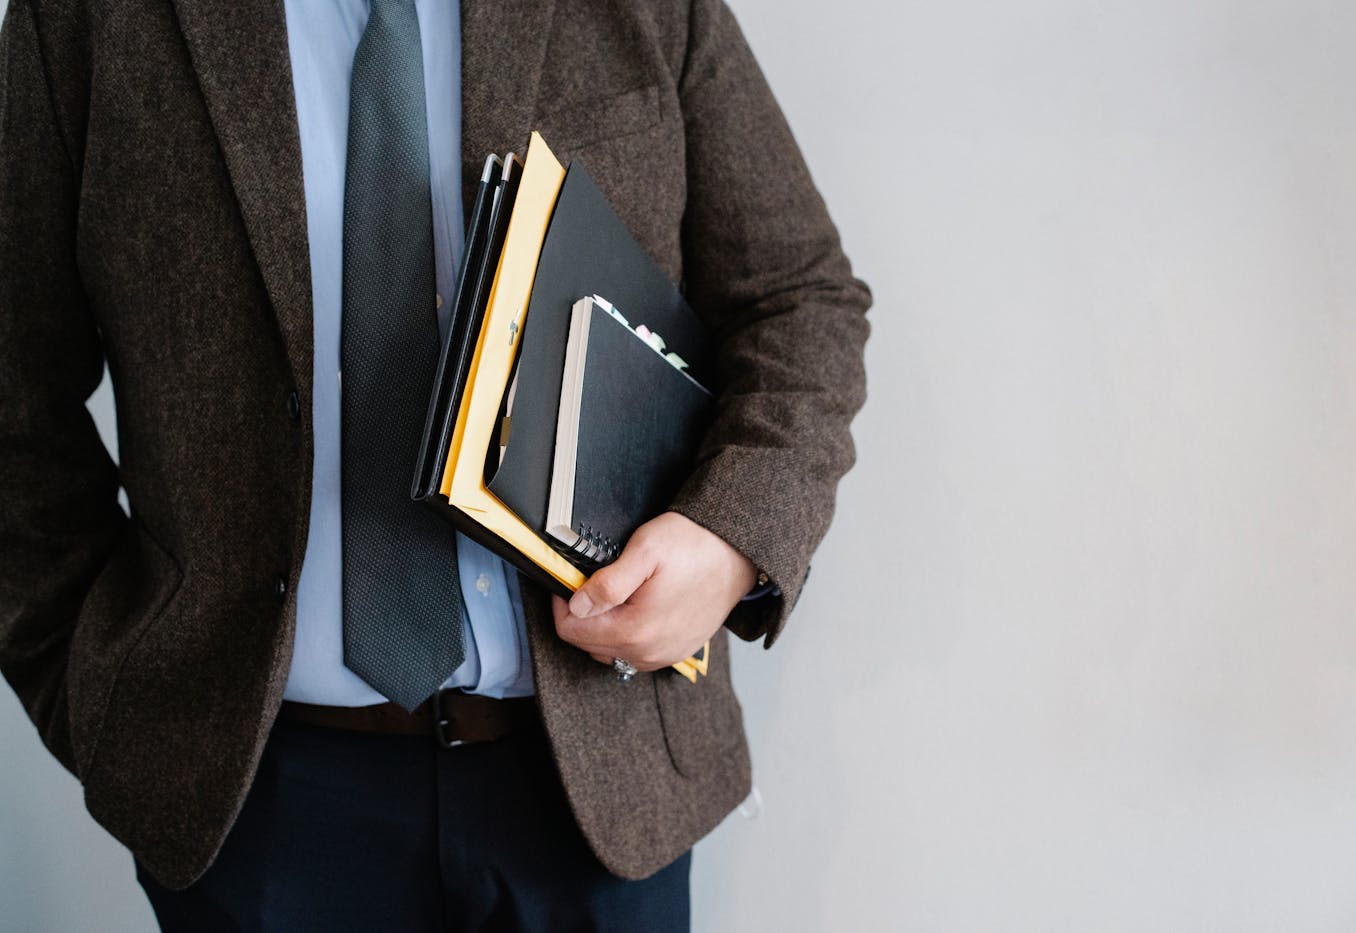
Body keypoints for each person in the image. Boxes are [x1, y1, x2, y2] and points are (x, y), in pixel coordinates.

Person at [0, 0, 870, 928]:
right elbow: (15, 387)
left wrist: (733, 537)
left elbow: (797, 298)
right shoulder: (86, 19)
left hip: (599, 783)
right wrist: (102, 701)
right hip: (256, 807)